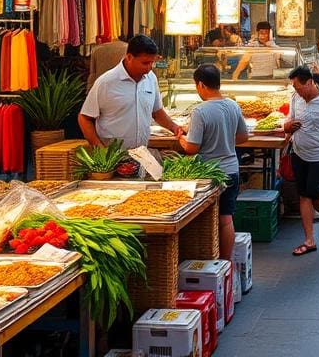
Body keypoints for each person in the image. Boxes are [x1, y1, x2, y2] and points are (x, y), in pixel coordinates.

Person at [176, 64, 249, 262]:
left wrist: (180, 138)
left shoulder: (200, 111)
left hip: (210, 174)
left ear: (200, 85)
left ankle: (209, 258)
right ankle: (224, 264)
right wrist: (224, 139)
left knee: (205, 218)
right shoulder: (233, 105)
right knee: (226, 218)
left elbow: (192, 148)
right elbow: (243, 137)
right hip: (232, 169)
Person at [79, 35, 182, 149]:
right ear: (129, 57)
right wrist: (98, 147)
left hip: (141, 155)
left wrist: (173, 127)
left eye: (151, 63)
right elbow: (85, 118)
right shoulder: (106, 82)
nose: (149, 68)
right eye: (145, 63)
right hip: (112, 158)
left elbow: (157, 112)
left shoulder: (151, 78)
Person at [283, 66, 319, 256]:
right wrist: (289, 126)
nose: (296, 91)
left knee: (315, 193)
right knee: (304, 195)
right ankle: (309, 240)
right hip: (299, 152)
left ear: (309, 82)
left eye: (298, 87)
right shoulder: (295, 99)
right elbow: (288, 123)